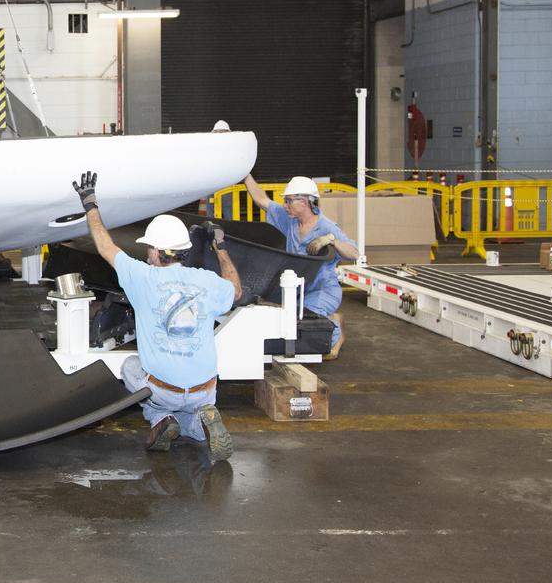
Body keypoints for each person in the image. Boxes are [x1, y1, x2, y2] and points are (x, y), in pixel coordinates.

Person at [73, 171, 242, 462]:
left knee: (129, 366)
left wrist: (90, 204)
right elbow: (236, 290)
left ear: (154, 251)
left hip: (164, 390)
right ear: (182, 251)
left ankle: (160, 420)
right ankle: (202, 419)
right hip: (205, 388)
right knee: (195, 427)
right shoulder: (206, 281)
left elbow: (105, 246)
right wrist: (221, 247)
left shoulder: (142, 278)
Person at [242, 174, 358, 349]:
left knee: (309, 326)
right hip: (299, 290)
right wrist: (246, 175)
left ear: (303, 203)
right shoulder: (290, 220)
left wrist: (332, 240)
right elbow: (262, 201)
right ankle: (320, 318)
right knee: (287, 319)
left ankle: (334, 330)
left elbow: (354, 253)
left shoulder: (326, 227)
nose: (285, 205)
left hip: (322, 290)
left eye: (289, 201)